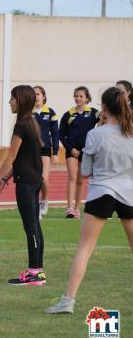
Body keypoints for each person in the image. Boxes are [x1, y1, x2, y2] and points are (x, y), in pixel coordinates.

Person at [46, 87, 133, 314]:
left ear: (103, 107)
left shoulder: (96, 134)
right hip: (129, 193)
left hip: (101, 191)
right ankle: (67, 301)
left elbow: (84, 172)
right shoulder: (131, 132)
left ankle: (68, 301)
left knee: (85, 248)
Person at [0, 85, 45, 286]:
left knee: (30, 226)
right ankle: (37, 271)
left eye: (12, 99)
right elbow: (23, 159)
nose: (9, 102)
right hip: (32, 179)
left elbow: (11, 155)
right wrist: (5, 179)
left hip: (28, 183)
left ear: (20, 101)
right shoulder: (30, 122)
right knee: (35, 226)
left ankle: (34, 273)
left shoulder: (22, 124)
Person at [59, 86, 100, 219]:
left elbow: (106, 119)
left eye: (81, 96)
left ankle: (77, 208)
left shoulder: (94, 113)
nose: (78, 98)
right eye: (76, 96)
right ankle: (69, 208)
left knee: (81, 180)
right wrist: (70, 148)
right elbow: (61, 134)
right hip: (72, 150)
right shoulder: (68, 114)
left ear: (87, 98)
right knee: (72, 178)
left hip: (87, 150)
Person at [33, 86, 59, 217]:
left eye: (38, 94)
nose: (36, 96)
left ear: (43, 96)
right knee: (34, 179)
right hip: (31, 149)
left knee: (43, 178)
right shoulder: (27, 112)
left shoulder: (50, 112)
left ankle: (44, 200)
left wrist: (55, 153)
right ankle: (36, 207)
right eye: (34, 94)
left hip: (45, 149)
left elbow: (55, 134)